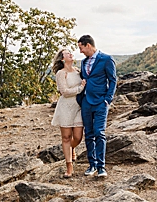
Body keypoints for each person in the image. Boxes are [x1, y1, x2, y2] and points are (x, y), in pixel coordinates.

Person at [76, 35, 119, 178]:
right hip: (86, 102)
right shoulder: (83, 62)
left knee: (99, 133)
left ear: (88, 45)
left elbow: (113, 80)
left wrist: (107, 99)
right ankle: (92, 164)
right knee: (88, 134)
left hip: (101, 102)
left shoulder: (106, 59)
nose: (80, 51)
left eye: (81, 48)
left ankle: (101, 167)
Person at [51, 47, 86, 177]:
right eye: (67, 53)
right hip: (65, 107)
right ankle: (69, 166)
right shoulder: (61, 73)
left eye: (71, 52)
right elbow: (64, 92)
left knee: (77, 137)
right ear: (62, 58)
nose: (71, 54)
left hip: (78, 107)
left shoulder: (77, 71)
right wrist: (80, 88)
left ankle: (72, 149)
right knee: (66, 138)